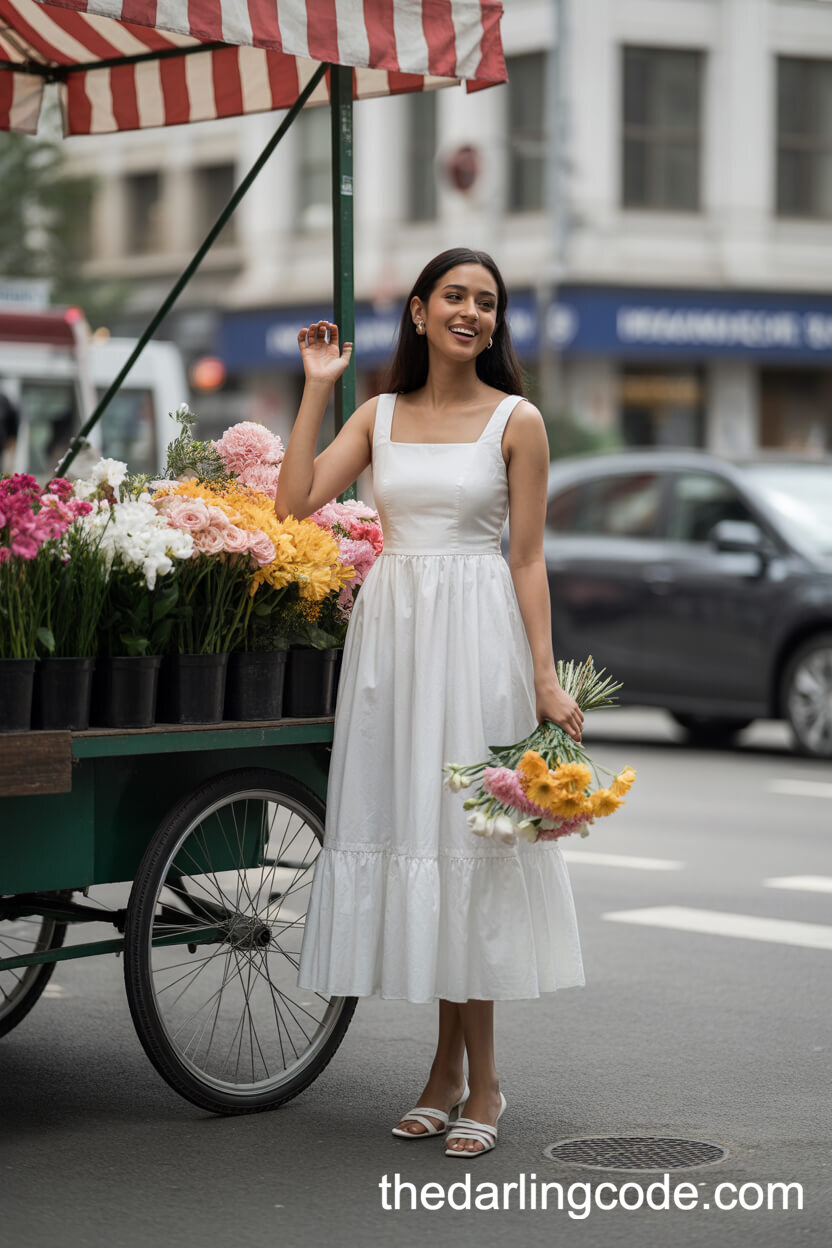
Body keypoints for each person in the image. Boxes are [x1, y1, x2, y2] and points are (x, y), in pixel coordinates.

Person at [277, 248, 585, 1158]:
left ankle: (481, 1081)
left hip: (478, 640)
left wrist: (543, 674)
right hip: (394, 648)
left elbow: (526, 558)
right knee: (418, 834)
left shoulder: (518, 422)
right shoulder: (377, 415)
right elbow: (296, 505)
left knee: (467, 848)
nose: (472, 312)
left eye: (486, 302)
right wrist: (315, 388)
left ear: (496, 323)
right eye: (455, 296)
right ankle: (445, 1074)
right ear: (418, 313)